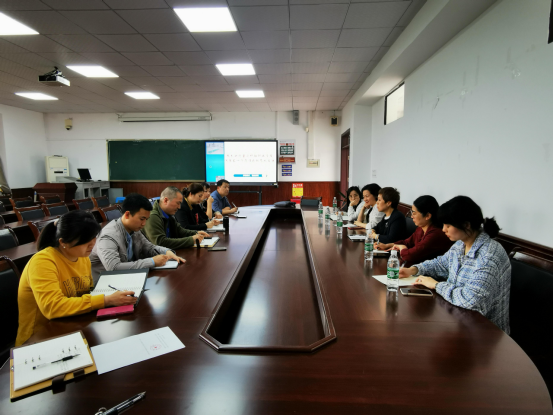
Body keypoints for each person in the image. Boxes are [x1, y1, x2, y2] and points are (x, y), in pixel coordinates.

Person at [16, 211, 137, 346]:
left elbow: (86, 293)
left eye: (94, 237)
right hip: (38, 339)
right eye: (85, 240)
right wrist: (106, 300)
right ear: (63, 242)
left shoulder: (83, 258)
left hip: (71, 327)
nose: (92, 244)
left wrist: (110, 297)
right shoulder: (43, 262)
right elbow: (53, 307)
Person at [399, 196, 511, 333]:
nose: (443, 229)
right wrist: (414, 270)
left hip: (484, 333)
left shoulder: (490, 255)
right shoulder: (460, 245)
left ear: (466, 225)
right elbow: (440, 264)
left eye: (448, 225)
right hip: (456, 320)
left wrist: (436, 285)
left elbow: (471, 301)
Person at [90, 193, 185, 278]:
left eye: (146, 219)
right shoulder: (108, 236)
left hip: (126, 279)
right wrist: (152, 262)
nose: (144, 224)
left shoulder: (134, 229)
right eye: (142, 219)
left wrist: (166, 252)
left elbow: (149, 247)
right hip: (103, 285)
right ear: (127, 214)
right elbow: (114, 268)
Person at [378, 195, 453, 265]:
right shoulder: (421, 228)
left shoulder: (436, 234)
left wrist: (402, 248)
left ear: (427, 216)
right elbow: (407, 242)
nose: (411, 216)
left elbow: (410, 256)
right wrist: (387, 245)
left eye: (414, 213)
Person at [142, 186, 209, 250]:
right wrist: (191, 240)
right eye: (178, 203)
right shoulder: (152, 216)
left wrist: (196, 233)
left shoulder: (168, 214)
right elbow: (160, 242)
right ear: (166, 200)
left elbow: (180, 231)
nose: (179, 207)